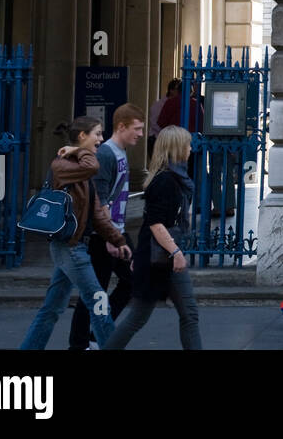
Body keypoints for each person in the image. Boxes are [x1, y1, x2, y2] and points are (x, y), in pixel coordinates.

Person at [20, 117, 132, 349]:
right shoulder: (63, 165)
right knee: (100, 303)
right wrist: (76, 151)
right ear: (82, 136)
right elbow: (93, 165)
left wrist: (117, 239)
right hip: (70, 247)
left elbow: (97, 212)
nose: (101, 140)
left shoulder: (80, 170)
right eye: (97, 134)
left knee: (51, 309)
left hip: (74, 246)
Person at [104, 126, 203, 349]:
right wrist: (176, 252)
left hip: (163, 256)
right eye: (187, 144)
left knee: (189, 313)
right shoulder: (166, 181)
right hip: (158, 258)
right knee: (138, 317)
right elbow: (156, 224)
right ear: (176, 148)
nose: (190, 148)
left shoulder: (175, 179)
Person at [68, 103, 144, 350]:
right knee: (95, 291)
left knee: (130, 282)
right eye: (137, 129)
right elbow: (98, 200)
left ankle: (91, 337)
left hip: (116, 231)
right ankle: (80, 343)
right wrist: (111, 237)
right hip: (105, 234)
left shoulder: (120, 153)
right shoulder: (106, 154)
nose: (141, 134)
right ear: (121, 127)